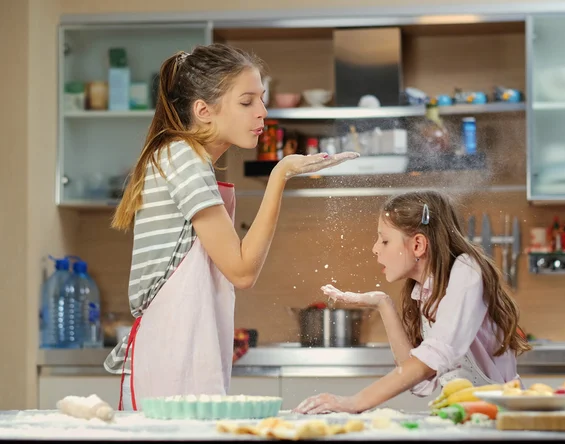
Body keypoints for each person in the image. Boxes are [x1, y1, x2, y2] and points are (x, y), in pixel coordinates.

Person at [103, 43, 359, 411]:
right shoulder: (183, 157)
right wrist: (281, 173)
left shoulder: (186, 159)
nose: (263, 112)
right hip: (174, 350)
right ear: (204, 111)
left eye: (262, 99)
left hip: (185, 344)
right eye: (247, 101)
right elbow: (241, 270)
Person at [293, 190, 531, 414]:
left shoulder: (467, 270)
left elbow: (431, 359)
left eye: (384, 241)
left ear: (418, 244)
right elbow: (419, 378)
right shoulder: (424, 291)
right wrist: (382, 303)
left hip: (502, 417)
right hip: (465, 415)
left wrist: (354, 402)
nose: (375, 249)